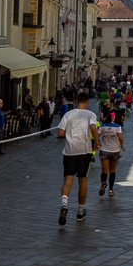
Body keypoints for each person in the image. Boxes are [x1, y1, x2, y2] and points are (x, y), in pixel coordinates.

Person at [57, 90, 99, 225]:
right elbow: (93, 127)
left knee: (67, 181)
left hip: (69, 152)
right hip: (84, 152)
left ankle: (64, 204)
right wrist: (97, 142)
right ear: (87, 102)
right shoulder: (90, 114)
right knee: (83, 182)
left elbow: (60, 133)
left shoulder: (68, 114)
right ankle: (80, 211)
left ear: (76, 102)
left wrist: (70, 134)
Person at [97, 108, 124, 197]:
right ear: (113, 117)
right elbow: (120, 138)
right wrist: (122, 145)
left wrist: (98, 143)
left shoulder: (103, 126)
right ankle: (111, 190)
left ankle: (103, 182)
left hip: (104, 150)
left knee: (104, 170)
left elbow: (97, 136)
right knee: (112, 170)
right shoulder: (117, 126)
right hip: (115, 150)